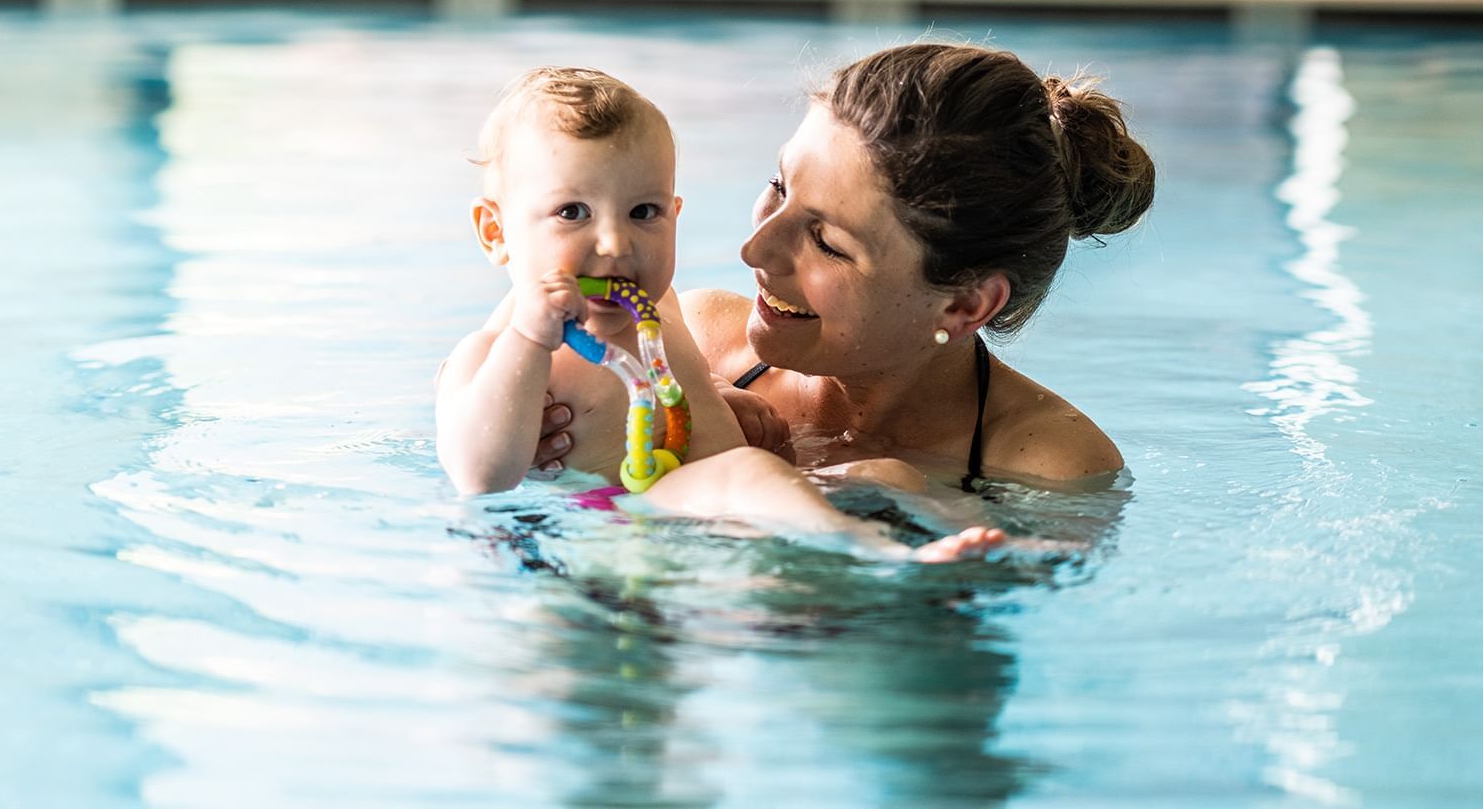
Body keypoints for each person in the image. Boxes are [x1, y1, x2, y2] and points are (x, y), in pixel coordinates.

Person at [531, 43, 1156, 497]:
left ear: (965, 305)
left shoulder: (1051, 467)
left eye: (827, 241)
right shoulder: (686, 346)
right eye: (779, 185)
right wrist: (538, 438)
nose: (756, 249)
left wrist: (894, 510)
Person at [435, 65, 1006, 560]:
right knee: (747, 476)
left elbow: (665, 383)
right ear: (496, 231)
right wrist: (526, 346)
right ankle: (879, 553)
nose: (615, 242)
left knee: (887, 475)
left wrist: (717, 394)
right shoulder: (496, 354)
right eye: (572, 212)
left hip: (714, 508)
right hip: (619, 519)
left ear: (675, 214)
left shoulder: (659, 308)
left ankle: (993, 544)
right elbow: (479, 476)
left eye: (643, 211)